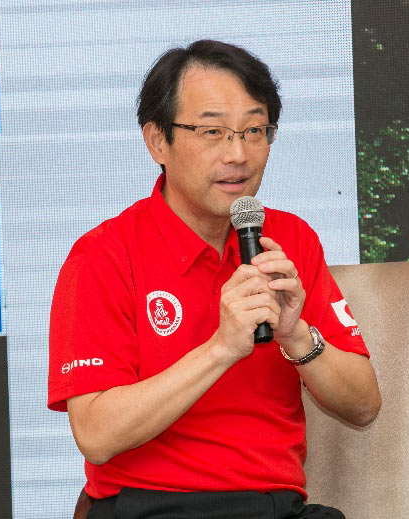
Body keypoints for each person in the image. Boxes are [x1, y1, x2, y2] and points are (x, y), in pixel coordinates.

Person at [48, 40, 382, 519]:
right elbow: (97, 436)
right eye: (212, 132)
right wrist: (221, 349)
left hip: (275, 509)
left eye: (254, 130)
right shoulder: (104, 255)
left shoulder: (291, 240)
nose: (238, 154)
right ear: (157, 141)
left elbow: (364, 406)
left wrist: (295, 334)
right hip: (152, 510)